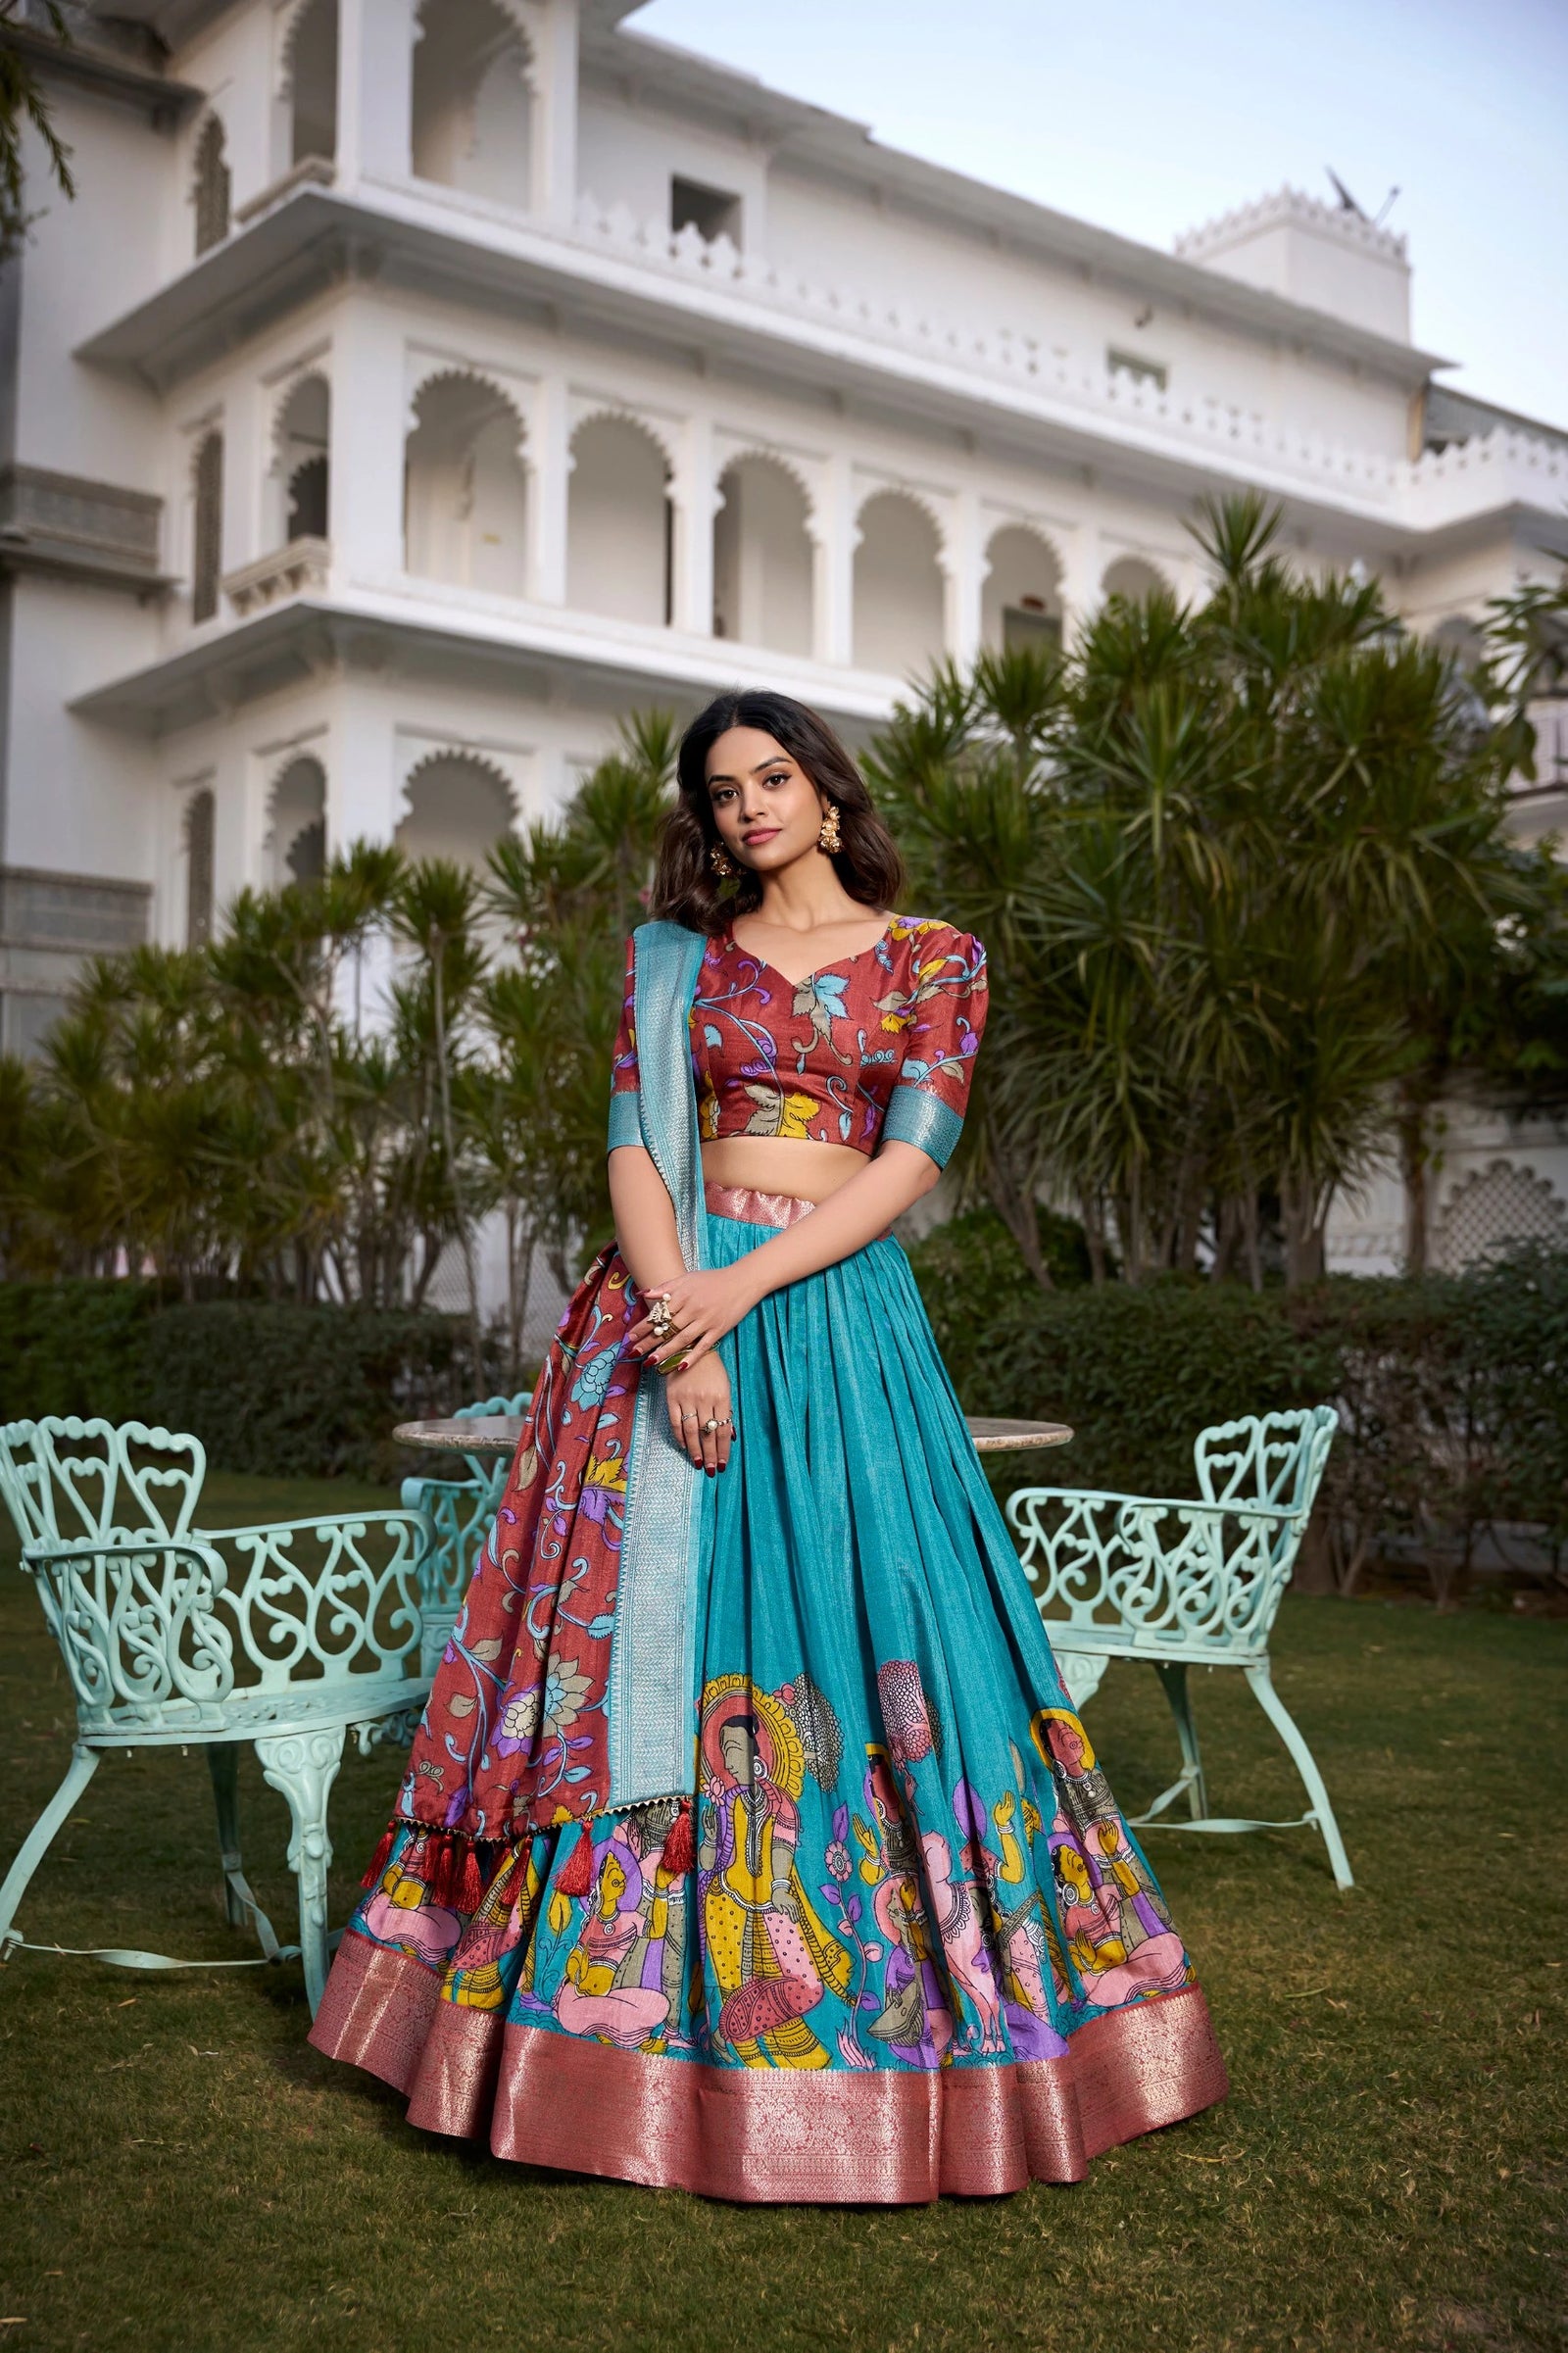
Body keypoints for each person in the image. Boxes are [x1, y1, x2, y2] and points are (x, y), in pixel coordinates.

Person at [309, 688, 1227, 2201]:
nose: (748, 806)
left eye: (772, 776)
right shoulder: (675, 963)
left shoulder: (935, 958)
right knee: (642, 1665)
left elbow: (912, 1159)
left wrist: (742, 1288)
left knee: (891, 1623)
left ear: (824, 786)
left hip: (839, 1316)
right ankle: (602, 2027)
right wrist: (684, 1322)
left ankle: (921, 2006)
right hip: (673, 1314)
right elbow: (632, 1144)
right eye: (722, 789)